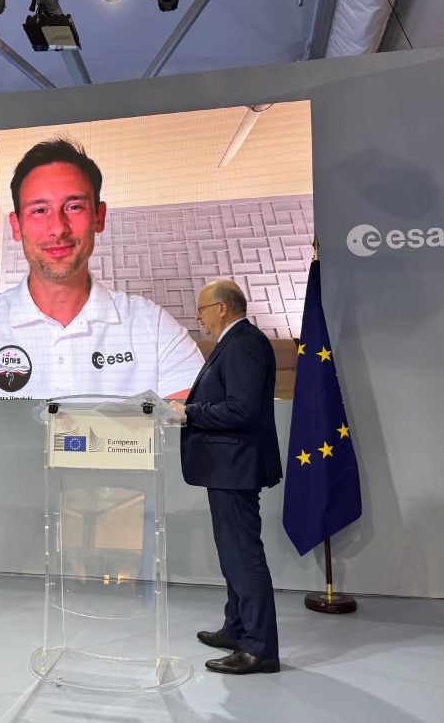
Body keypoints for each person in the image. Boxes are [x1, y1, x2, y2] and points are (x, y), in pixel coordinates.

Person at [0, 138, 204, 400]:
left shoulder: (153, 327)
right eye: (39, 210)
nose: (57, 228)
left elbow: (200, 437)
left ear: (99, 217)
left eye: (74, 207)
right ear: (16, 226)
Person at [170, 281, 282, 675]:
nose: (198, 316)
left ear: (221, 308)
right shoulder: (236, 342)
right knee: (232, 554)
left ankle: (260, 648)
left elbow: (242, 409)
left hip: (236, 467)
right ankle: (236, 628)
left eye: (201, 309)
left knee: (243, 556)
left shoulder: (245, 343)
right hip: (228, 467)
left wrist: (190, 413)